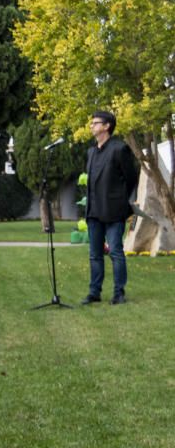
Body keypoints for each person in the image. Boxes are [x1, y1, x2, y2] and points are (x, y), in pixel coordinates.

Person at [82, 110, 139, 305]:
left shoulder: (119, 149)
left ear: (106, 126)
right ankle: (94, 292)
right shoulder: (90, 152)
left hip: (114, 210)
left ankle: (119, 293)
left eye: (95, 123)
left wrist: (121, 200)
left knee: (115, 251)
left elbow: (131, 178)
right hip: (93, 211)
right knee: (95, 254)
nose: (91, 126)